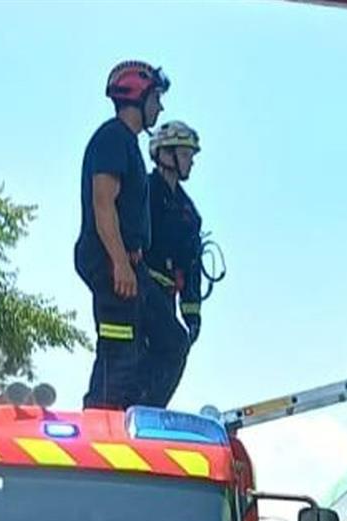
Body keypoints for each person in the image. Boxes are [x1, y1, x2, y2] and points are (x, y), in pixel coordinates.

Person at [74, 60, 169, 409]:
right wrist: (119, 263)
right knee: (119, 350)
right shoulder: (112, 138)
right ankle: (105, 418)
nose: (160, 107)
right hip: (110, 261)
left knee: (170, 339)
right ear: (138, 97)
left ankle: (136, 410)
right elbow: (103, 204)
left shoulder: (127, 144)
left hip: (129, 263)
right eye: (156, 98)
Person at [143, 121, 203, 406]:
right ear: (166, 154)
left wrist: (192, 314)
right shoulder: (141, 192)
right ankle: (136, 408)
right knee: (172, 345)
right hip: (136, 285)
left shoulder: (189, 212)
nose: (191, 161)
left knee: (174, 346)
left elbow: (191, 268)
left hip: (165, 297)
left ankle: (148, 408)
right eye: (186, 153)